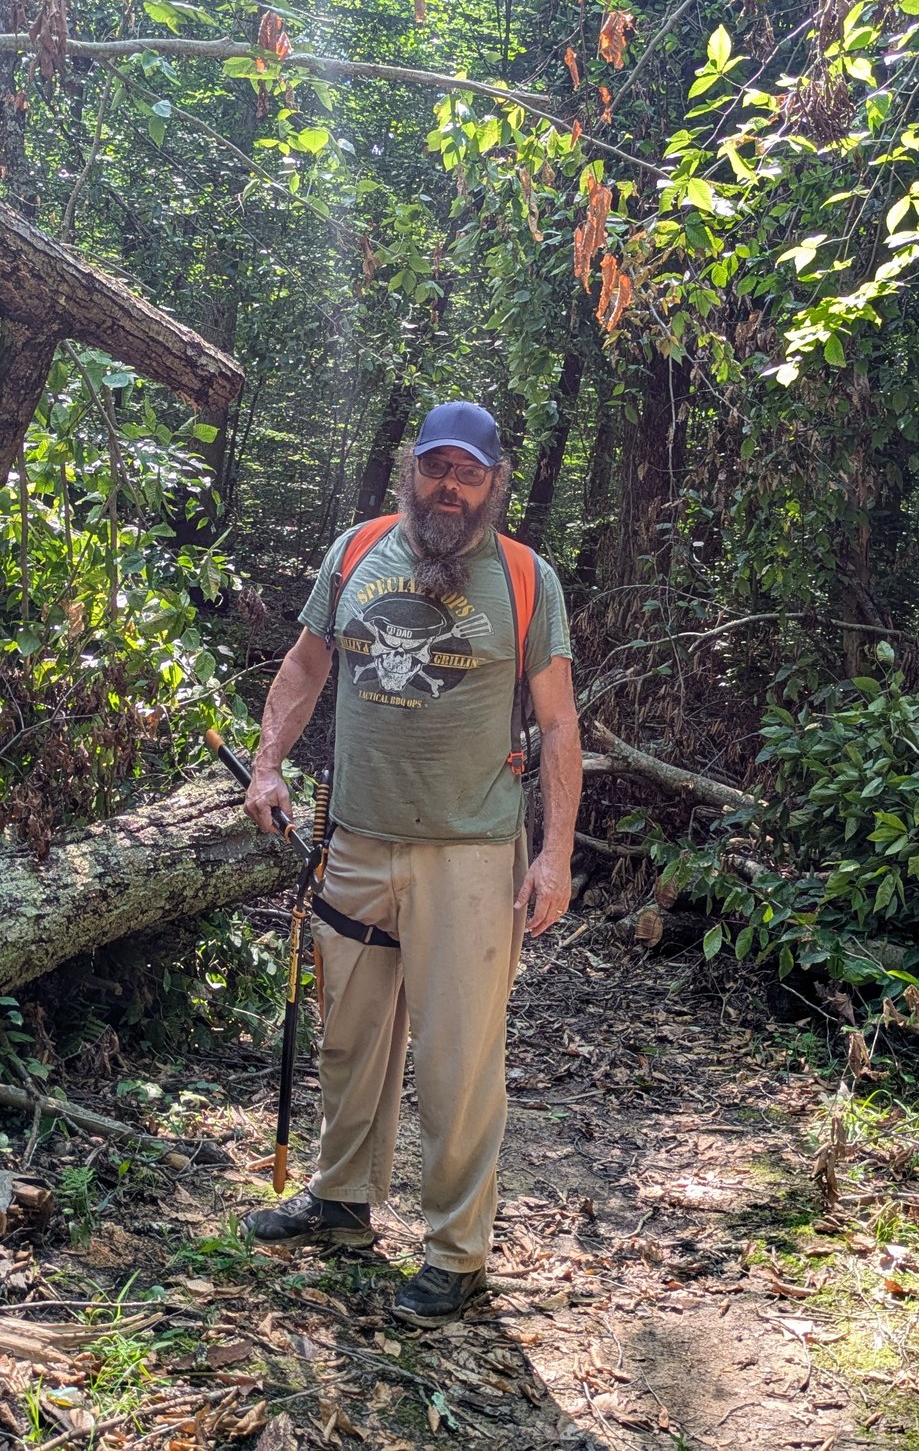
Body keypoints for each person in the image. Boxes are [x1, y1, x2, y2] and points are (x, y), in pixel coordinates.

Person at [239, 400, 582, 1327]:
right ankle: (344, 1198)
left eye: (469, 472)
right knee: (349, 1032)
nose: (450, 487)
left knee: (457, 1058)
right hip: (355, 839)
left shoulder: (523, 578)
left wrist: (552, 858)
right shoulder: (356, 551)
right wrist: (268, 761)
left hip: (469, 854)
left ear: (494, 481)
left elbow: (557, 724)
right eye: (437, 467)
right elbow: (306, 667)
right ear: (411, 469)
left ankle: (457, 1254)